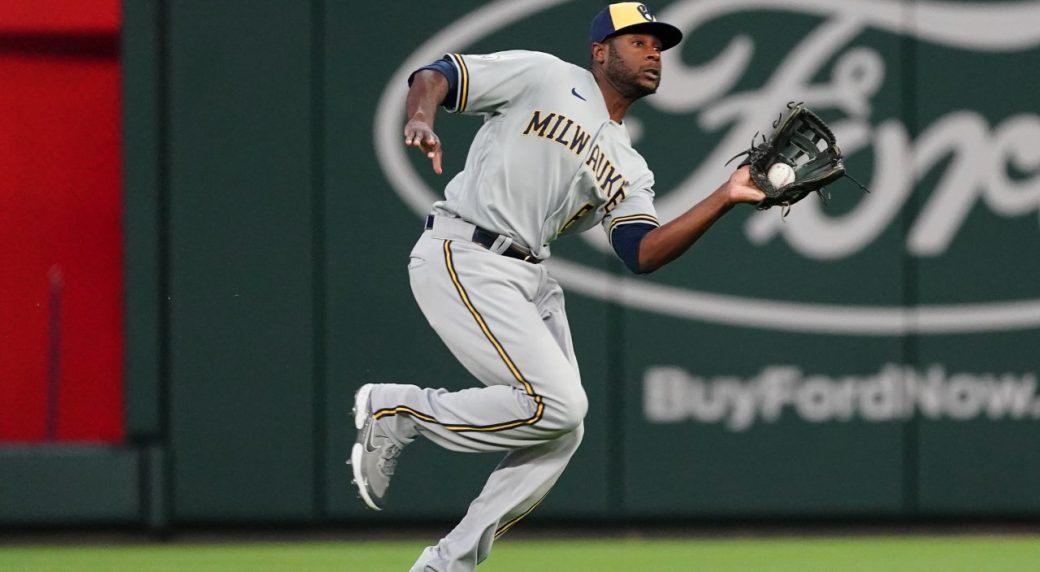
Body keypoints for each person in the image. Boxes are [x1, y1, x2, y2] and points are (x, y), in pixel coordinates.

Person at [349, 3, 765, 571]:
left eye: (657, 43)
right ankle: (399, 411)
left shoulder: (629, 165)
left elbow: (642, 252)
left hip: (528, 277)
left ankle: (448, 564)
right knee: (560, 405)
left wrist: (724, 197)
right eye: (637, 39)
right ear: (600, 51)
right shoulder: (546, 75)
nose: (653, 51)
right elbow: (435, 73)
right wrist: (422, 116)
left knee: (561, 431)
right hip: (465, 250)